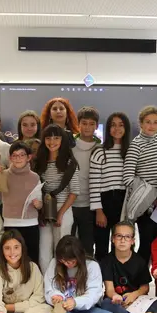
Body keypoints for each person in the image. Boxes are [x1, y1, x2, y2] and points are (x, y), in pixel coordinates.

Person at [44, 236, 116, 313]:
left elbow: (94, 294)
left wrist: (76, 302)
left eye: (71, 261)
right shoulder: (54, 263)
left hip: (86, 309)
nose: (68, 265)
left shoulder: (91, 265)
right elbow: (50, 288)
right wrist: (56, 296)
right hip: (64, 310)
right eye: (64, 261)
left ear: (79, 256)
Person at [123, 106, 157, 269]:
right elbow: (128, 177)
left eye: (156, 122)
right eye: (148, 122)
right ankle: (139, 281)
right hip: (146, 207)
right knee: (147, 246)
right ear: (141, 124)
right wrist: (150, 196)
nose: (152, 126)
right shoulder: (136, 145)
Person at [0, 142, 42, 264]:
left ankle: (31, 283)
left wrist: (38, 204)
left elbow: (40, 203)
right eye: (15, 155)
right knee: (12, 260)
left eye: (22, 155)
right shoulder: (4, 174)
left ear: (29, 157)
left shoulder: (35, 177)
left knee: (31, 260)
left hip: (31, 223)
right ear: (10, 158)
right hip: (10, 224)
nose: (18, 158)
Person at [35, 124, 80, 271]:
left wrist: (60, 214)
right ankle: (47, 285)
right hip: (44, 211)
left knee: (61, 251)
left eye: (56, 137)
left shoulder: (69, 163)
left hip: (63, 209)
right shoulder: (40, 162)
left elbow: (74, 192)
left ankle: (61, 283)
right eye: (48, 138)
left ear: (63, 140)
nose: (52, 141)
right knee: (43, 252)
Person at [89, 112, 130, 261]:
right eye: (113, 125)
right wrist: (99, 211)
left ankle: (117, 281)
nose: (117, 128)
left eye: (121, 125)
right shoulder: (100, 151)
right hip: (104, 202)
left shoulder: (130, 152)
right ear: (108, 129)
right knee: (101, 247)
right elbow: (93, 184)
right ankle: (101, 281)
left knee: (120, 245)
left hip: (123, 202)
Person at [99, 221, 157, 313]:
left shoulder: (139, 261)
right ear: (113, 239)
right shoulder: (106, 261)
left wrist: (134, 295)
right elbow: (109, 290)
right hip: (115, 300)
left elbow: (145, 287)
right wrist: (116, 297)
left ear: (132, 241)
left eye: (127, 237)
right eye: (119, 236)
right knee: (106, 305)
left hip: (136, 299)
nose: (123, 240)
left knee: (154, 305)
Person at [71, 106, 100, 256]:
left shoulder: (100, 148)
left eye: (91, 123)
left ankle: (87, 277)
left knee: (88, 246)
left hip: (90, 206)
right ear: (78, 124)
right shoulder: (70, 146)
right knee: (68, 245)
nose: (87, 127)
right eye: (84, 123)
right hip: (70, 203)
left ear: (96, 126)